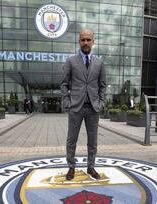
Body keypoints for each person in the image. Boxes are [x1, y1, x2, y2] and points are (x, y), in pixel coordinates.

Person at [61, 28, 106, 180]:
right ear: (79, 41)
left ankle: (91, 167)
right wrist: (67, 102)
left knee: (92, 140)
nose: (85, 42)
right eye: (83, 40)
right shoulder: (71, 61)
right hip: (76, 107)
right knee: (71, 139)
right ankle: (71, 167)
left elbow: (102, 85)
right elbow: (64, 84)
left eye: (88, 39)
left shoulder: (99, 63)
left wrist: (101, 103)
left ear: (93, 42)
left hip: (93, 108)